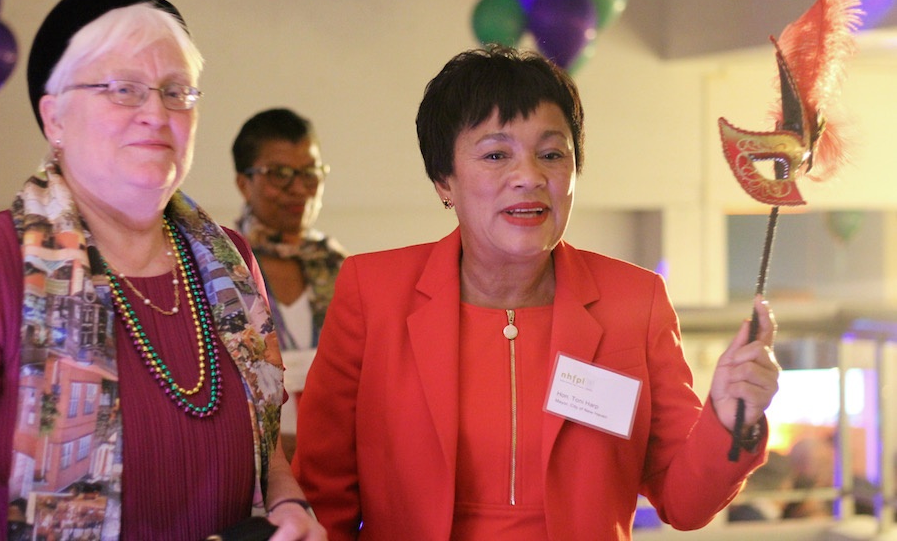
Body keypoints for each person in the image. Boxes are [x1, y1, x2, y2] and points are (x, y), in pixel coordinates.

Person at [294, 45, 780, 540]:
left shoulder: (634, 301)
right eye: (495, 154)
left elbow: (685, 502)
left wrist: (730, 414)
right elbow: (322, 495)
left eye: (551, 154)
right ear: (445, 180)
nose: (529, 177)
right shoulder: (373, 294)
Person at [0, 0, 326, 541]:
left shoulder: (229, 262)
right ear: (54, 119)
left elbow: (265, 447)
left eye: (176, 91)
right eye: (123, 88)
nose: (155, 112)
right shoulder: (6, 266)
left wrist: (291, 505)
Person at [232, 108, 347, 461]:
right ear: (243, 183)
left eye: (310, 174)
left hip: (336, 459)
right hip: (256, 462)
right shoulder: (225, 268)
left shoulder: (339, 266)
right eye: (280, 174)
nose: (299, 189)